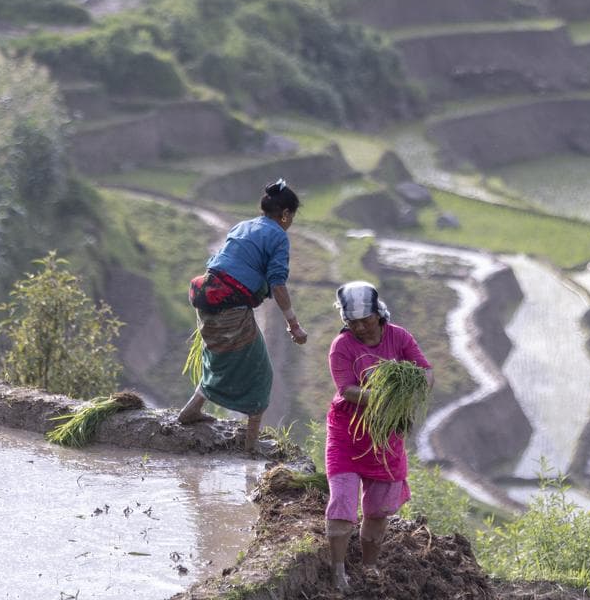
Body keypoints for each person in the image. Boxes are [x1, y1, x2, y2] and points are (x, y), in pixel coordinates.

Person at [178, 178, 309, 451]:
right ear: (285, 214)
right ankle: (251, 444)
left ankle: (191, 410)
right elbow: (277, 283)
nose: (291, 222)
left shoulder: (242, 226)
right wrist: (294, 324)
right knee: (260, 372)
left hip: (206, 297)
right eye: (291, 216)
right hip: (228, 306)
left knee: (216, 357)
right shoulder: (278, 237)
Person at [324, 281, 433, 592]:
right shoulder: (342, 346)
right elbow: (346, 389)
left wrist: (413, 388)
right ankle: (338, 571)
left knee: (377, 511)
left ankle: (369, 567)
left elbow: (425, 371)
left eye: (366, 320)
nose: (360, 327)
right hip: (348, 435)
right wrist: (386, 395)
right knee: (343, 503)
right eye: (352, 322)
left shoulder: (398, 336)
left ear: (378, 314)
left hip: (385, 437)